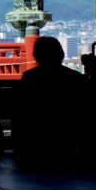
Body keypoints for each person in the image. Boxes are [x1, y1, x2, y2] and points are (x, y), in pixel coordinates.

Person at [15, 36, 89, 167]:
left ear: (36, 55)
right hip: (66, 139)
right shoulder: (75, 78)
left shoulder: (30, 78)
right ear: (60, 54)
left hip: (35, 140)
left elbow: (21, 113)